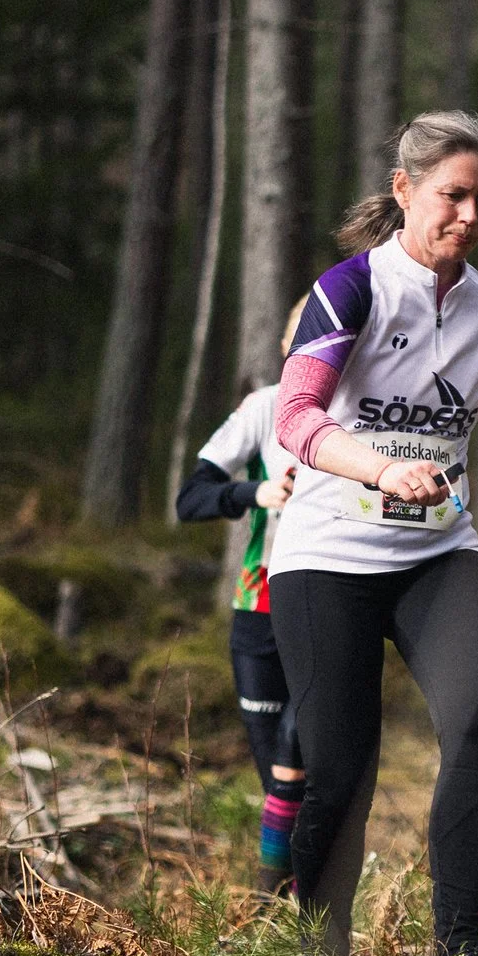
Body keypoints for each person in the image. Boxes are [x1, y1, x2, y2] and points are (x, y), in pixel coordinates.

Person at [269, 110, 478, 956]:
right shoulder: (350, 289)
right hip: (327, 556)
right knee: (343, 768)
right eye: (452, 196)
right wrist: (382, 465)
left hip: (440, 552)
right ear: (404, 191)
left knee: (475, 728)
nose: (469, 215)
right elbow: (296, 418)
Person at [175, 298, 309, 898]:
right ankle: (289, 911)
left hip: (327, 610)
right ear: (285, 350)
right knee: (277, 782)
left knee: (294, 766)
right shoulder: (265, 407)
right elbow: (191, 498)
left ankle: (280, 905)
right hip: (257, 610)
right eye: (302, 342)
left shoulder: (367, 411)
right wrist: (256, 493)